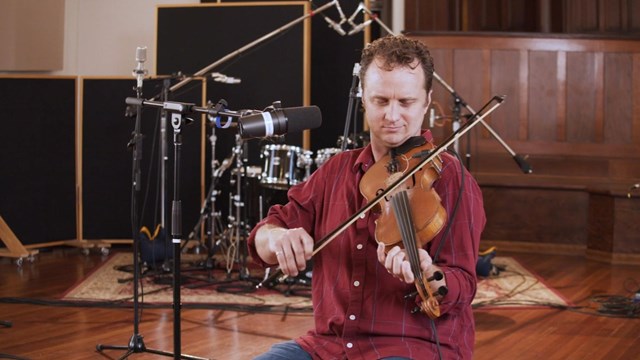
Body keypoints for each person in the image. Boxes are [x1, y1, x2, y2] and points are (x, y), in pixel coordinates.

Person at [248, 34, 486, 360]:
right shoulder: (335, 172)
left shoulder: (452, 179)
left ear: (427, 101)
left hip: (415, 347)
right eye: (380, 101)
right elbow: (267, 232)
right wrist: (276, 238)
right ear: (363, 99)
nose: (391, 116)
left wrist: (428, 273)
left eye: (405, 102)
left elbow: (462, 284)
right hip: (328, 346)